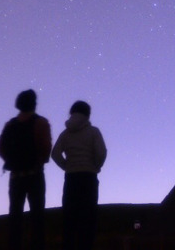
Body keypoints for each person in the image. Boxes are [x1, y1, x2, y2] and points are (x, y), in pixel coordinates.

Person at [0, 89, 52, 250]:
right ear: (33, 103)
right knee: (37, 217)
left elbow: (0, 148)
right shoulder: (41, 122)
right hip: (35, 175)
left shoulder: (10, 124)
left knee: (15, 218)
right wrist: (40, 161)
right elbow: (46, 147)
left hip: (15, 177)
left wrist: (10, 161)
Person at [51, 100, 107, 250]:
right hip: (89, 177)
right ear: (88, 114)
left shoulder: (65, 133)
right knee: (88, 220)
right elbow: (101, 153)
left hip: (71, 179)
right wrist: (96, 165)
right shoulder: (94, 131)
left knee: (69, 220)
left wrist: (66, 166)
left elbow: (55, 153)